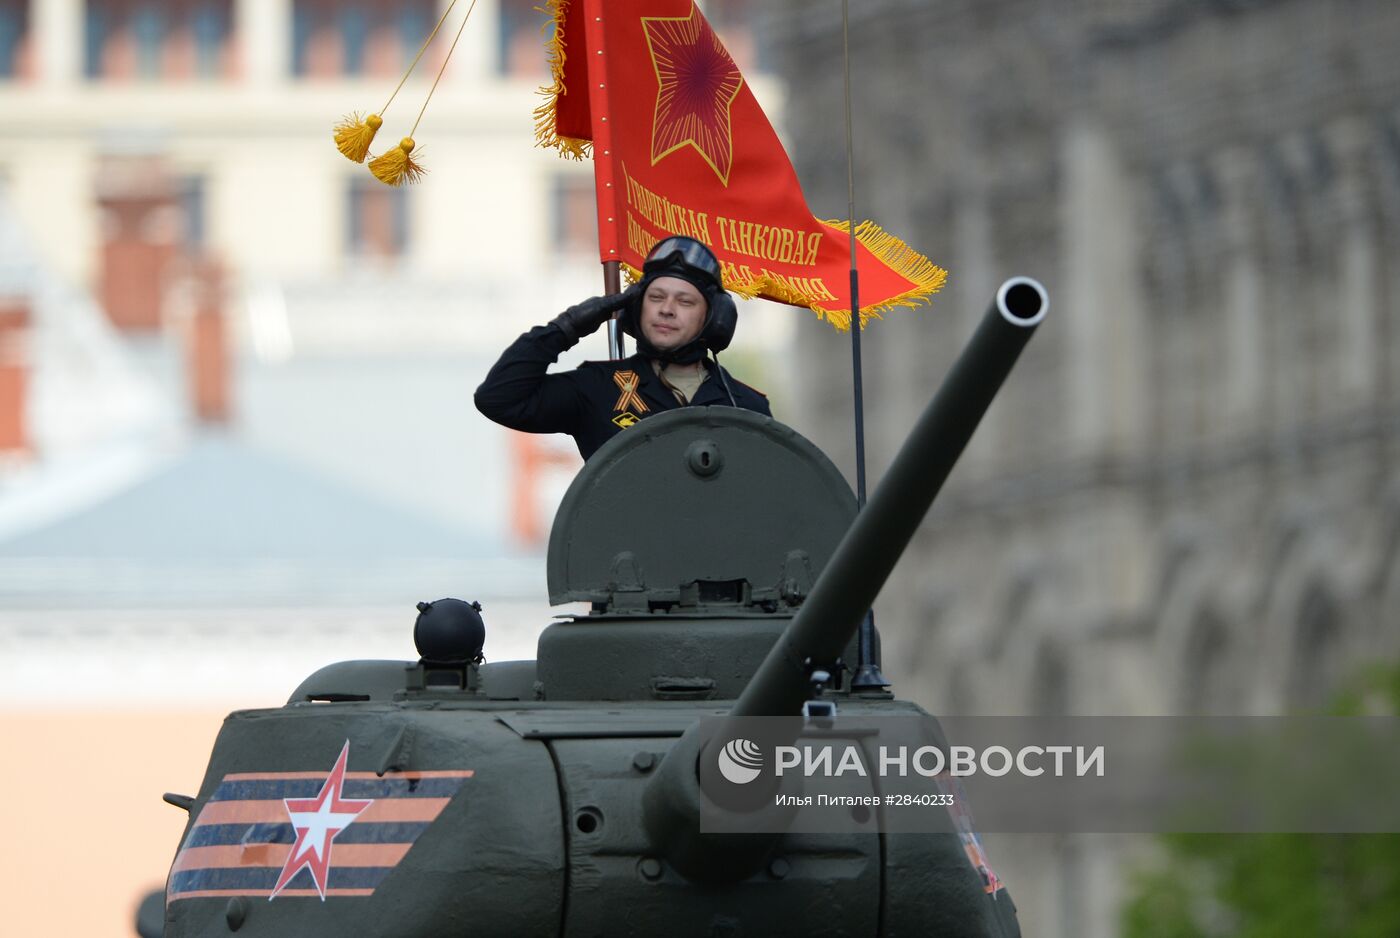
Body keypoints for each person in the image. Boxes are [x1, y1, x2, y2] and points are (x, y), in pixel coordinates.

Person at [474, 236, 771, 459]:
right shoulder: (598, 388)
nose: (667, 309)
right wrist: (567, 327)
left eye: (685, 301)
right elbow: (499, 398)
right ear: (635, 307)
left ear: (714, 319)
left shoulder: (745, 406)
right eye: (656, 297)